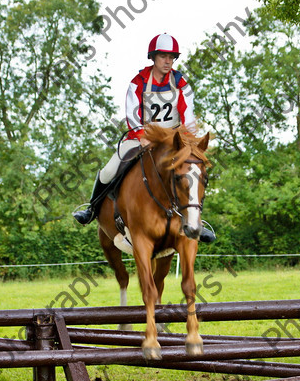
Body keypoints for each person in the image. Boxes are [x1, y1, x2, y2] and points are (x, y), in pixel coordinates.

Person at [73, 33, 215, 242]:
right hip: (143, 136)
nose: (168, 61)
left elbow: (188, 113)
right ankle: (92, 208)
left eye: (171, 57)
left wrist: (188, 140)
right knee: (111, 168)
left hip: (174, 139)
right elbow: (132, 112)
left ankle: (197, 223)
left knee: (192, 172)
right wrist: (141, 135)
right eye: (163, 56)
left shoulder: (181, 82)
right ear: (153, 57)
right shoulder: (138, 82)